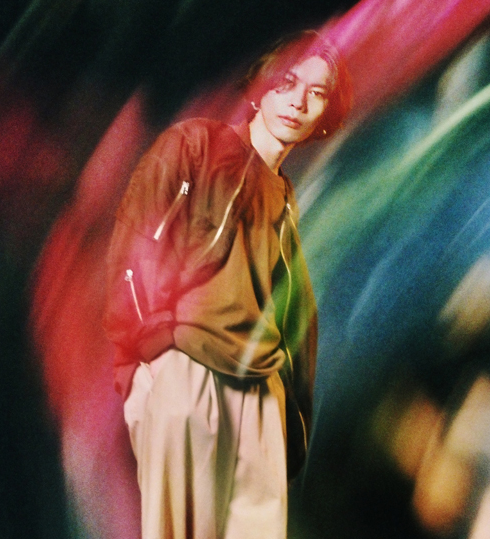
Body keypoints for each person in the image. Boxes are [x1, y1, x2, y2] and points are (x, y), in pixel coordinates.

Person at [104, 30, 352, 539]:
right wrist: (144, 367)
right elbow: (133, 249)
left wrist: (290, 420)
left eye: (317, 93)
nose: (299, 101)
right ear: (260, 85)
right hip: (186, 373)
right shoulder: (196, 147)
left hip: (260, 395)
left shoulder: (284, 201)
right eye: (287, 81)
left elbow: (297, 319)